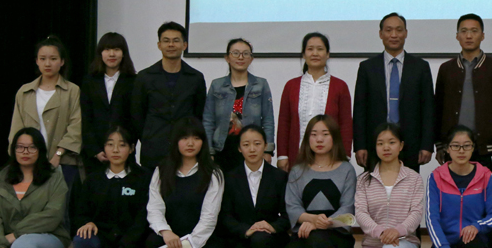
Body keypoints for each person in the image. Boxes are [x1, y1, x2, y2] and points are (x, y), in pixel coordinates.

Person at [352, 12, 434, 248]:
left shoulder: (420, 67)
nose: (394, 34)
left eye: (399, 29)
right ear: (380, 34)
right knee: (376, 200)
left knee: (408, 205)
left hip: (410, 145)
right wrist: (360, 145)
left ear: (406, 33)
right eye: (388, 30)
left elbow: (428, 108)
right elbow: (360, 108)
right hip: (375, 146)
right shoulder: (367, 67)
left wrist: (426, 144)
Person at [434, 14, 492, 248]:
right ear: (457, 36)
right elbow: (438, 108)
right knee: (453, 209)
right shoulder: (446, 69)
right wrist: (440, 145)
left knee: (488, 210)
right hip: (454, 151)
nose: (469, 35)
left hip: (488, 150)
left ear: (482, 35)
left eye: (474, 31)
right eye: (464, 31)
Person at [143, 118, 225, 248]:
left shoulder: (213, 173)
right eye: (184, 138)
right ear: (175, 141)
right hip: (172, 237)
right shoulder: (162, 170)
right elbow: (154, 208)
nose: (190, 143)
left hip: (203, 240)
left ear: (203, 142)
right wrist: (166, 232)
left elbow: (209, 220)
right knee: (151, 240)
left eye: (196, 138)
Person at [277, 115, 357, 248]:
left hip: (336, 234)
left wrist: (321, 223)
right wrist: (311, 220)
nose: (319, 139)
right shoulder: (298, 170)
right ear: (307, 139)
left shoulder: (346, 169)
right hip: (304, 232)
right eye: (314, 134)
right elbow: (292, 206)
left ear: (334, 138)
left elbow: (348, 207)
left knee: (319, 237)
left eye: (325, 134)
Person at [70, 126, 151, 248]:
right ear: (104, 148)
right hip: (104, 243)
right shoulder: (93, 179)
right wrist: (87, 222)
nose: (115, 150)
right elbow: (79, 212)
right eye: (110, 145)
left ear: (131, 148)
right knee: (82, 238)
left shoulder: (143, 178)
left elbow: (142, 222)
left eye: (121, 145)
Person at [354, 123, 425, 248]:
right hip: (374, 246)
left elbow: (416, 213)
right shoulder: (364, 179)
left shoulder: (413, 178)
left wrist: (397, 231)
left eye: (391, 142)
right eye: (380, 143)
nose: (386, 147)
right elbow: (360, 212)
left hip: (404, 244)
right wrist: (381, 232)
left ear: (401, 146)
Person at [217, 125, 290, 248]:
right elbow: (225, 216)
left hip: (270, 237)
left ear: (265, 145)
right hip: (241, 235)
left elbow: (288, 214)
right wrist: (246, 230)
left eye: (257, 143)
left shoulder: (279, 177)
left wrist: (272, 227)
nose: (252, 149)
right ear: (239, 148)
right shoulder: (230, 177)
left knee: (261, 239)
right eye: (246, 144)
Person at [131, 22, 207, 170]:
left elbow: (198, 114)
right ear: (159, 45)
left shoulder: (195, 78)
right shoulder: (144, 77)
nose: (171, 45)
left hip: (185, 150)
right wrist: (148, 137)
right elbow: (137, 115)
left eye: (176, 40)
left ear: (184, 45)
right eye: (166, 41)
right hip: (153, 148)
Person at [9, 35, 82, 188]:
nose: (47, 63)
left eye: (53, 59)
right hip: (29, 163)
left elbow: (76, 127)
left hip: (63, 163)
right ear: (37, 61)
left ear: (62, 61)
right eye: (42, 59)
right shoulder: (25, 92)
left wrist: (58, 154)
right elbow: (16, 129)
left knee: (61, 202)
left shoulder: (72, 91)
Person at [277, 33, 353, 172]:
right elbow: (284, 122)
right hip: (297, 156)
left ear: (328, 54)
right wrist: (282, 155)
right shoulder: (291, 86)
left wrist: (345, 156)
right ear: (304, 54)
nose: (315, 53)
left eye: (320, 49)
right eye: (310, 49)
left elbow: (346, 123)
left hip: (331, 159)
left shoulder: (340, 86)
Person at [203, 38, 275, 174]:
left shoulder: (261, 85)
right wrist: (209, 151)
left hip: (252, 150)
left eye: (245, 53)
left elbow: (268, 120)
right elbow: (208, 120)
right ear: (227, 58)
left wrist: (268, 150)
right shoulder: (217, 85)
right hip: (222, 149)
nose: (240, 57)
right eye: (235, 53)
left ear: (251, 59)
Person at [80, 32, 136, 174]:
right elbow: (85, 118)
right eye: (107, 49)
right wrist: (95, 150)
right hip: (95, 154)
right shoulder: (89, 81)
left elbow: (136, 118)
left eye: (116, 49)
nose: (112, 54)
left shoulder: (134, 81)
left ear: (123, 53)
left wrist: (126, 147)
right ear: (100, 53)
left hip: (124, 152)